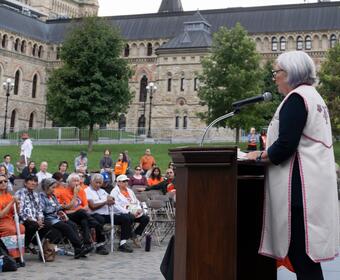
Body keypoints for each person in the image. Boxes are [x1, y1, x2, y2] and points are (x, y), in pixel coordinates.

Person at [247, 51, 339, 280]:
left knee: (303, 260)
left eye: (277, 72)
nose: (274, 77)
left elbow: (285, 146)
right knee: (306, 260)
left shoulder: (297, 99)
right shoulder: (314, 97)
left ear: (290, 74)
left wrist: (256, 157)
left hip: (299, 192)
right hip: (313, 187)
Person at [55, 173, 108, 255]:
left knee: (84, 220)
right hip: (69, 216)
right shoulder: (64, 192)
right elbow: (69, 208)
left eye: (78, 181)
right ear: (68, 182)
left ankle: (87, 244)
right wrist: (75, 195)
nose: (77, 183)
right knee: (82, 213)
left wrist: (78, 209)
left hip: (81, 215)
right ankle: (95, 224)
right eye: (74, 181)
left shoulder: (81, 191)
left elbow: (86, 207)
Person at [39, 178, 92, 259]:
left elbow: (59, 207)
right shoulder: (41, 197)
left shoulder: (52, 196)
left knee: (72, 224)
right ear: (46, 187)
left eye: (55, 187)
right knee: (66, 226)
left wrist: (61, 211)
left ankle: (77, 250)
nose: (54, 190)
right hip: (48, 219)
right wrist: (59, 208)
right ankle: (80, 247)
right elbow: (44, 210)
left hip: (56, 217)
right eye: (52, 187)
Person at [85, 174, 134, 253]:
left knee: (126, 218)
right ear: (91, 182)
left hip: (107, 214)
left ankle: (122, 243)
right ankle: (100, 245)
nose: (98, 185)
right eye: (96, 183)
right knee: (99, 220)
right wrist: (105, 202)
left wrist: (111, 199)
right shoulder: (87, 191)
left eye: (100, 183)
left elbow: (110, 198)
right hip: (94, 214)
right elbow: (92, 206)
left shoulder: (102, 191)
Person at [15, 175, 56, 251]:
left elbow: (39, 209)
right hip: (24, 220)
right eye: (31, 181)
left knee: (48, 224)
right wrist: (33, 220)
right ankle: (25, 244)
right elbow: (20, 211)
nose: (33, 183)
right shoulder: (20, 193)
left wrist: (40, 219)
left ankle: (34, 242)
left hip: (36, 220)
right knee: (33, 225)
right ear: (25, 183)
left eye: (35, 181)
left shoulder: (36, 194)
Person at [111, 175, 149, 247]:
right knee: (130, 217)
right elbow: (115, 205)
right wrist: (127, 212)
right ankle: (125, 236)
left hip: (133, 211)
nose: (126, 183)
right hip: (122, 213)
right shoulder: (114, 192)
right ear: (118, 182)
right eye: (123, 181)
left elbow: (136, 201)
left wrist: (139, 209)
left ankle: (134, 234)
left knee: (146, 218)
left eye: (127, 181)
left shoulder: (130, 190)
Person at [0, 174, 25, 261]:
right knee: (11, 229)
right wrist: (11, 202)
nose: (3, 183)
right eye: (1, 182)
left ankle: (19, 255)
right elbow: (1, 215)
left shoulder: (9, 195)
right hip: (1, 221)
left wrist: (17, 205)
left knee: (21, 228)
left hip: (10, 220)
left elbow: (16, 213)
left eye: (5, 181)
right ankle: (10, 256)